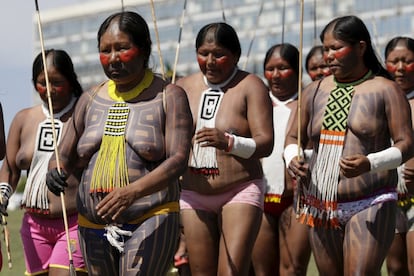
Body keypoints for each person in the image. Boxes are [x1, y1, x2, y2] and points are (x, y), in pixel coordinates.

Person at [45, 11, 193, 276]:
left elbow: (178, 160)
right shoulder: (89, 99)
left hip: (151, 216)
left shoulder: (168, 96)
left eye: (122, 48)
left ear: (144, 48)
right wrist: (54, 170)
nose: (112, 58)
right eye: (105, 50)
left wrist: (131, 192)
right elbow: (62, 154)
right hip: (91, 223)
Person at [284, 15, 414, 275]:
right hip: (321, 203)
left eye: (336, 48)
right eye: (326, 49)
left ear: (361, 47)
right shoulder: (314, 91)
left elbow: (407, 144)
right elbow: (292, 138)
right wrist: (292, 158)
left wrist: (370, 163)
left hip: (371, 200)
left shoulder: (386, 89)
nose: (328, 56)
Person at [177, 22, 274, 275]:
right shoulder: (182, 87)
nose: (209, 61)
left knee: (231, 272)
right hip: (192, 192)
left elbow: (266, 143)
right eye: (203, 53)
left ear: (235, 56)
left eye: (218, 54)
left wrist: (229, 142)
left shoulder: (251, 85)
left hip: (238, 190)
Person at [0, 49, 87, 275]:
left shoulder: (85, 114)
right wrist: (2, 194)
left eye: (56, 82)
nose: (48, 90)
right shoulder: (23, 119)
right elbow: (10, 168)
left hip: (73, 222)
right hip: (33, 225)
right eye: (41, 83)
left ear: (70, 81)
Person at [250, 43, 310, 276]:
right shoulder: (256, 104)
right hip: (261, 198)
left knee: (292, 268)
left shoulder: (307, 104)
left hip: (296, 198)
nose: (275, 75)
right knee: (263, 270)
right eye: (269, 68)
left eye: (283, 68)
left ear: (296, 71)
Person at [384, 36, 414, 276]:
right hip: (387, 194)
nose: (401, 68)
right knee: (394, 268)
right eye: (394, 62)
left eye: (408, 61)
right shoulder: (377, 99)